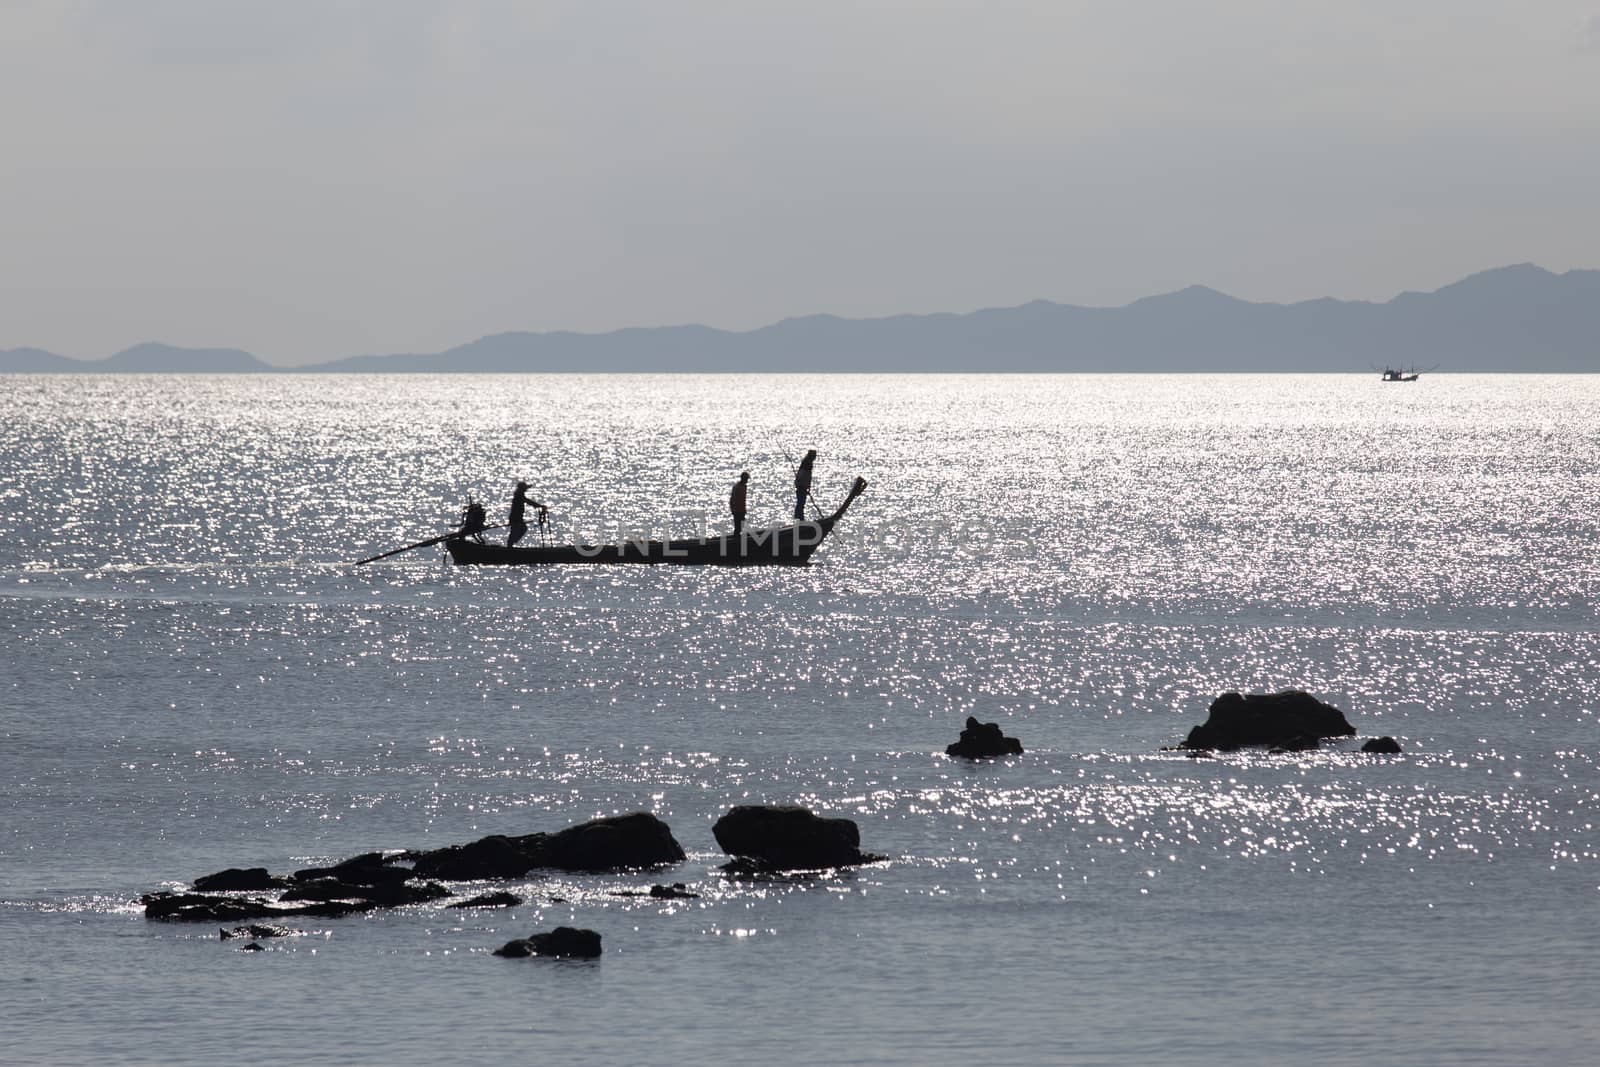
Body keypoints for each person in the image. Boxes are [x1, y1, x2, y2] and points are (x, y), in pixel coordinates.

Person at [507, 481, 544, 547]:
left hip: (517, 517)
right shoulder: (519, 495)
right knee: (519, 529)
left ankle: (510, 545)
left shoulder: (519, 495)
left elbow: (528, 501)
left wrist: (538, 505)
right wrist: (539, 505)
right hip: (515, 518)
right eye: (525, 488)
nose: (526, 489)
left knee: (518, 530)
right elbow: (528, 501)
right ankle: (510, 545)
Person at [792, 449, 816, 521]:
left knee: (801, 503)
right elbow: (804, 475)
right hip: (801, 486)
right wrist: (805, 485)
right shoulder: (807, 464)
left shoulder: (807, 463)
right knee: (800, 503)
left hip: (802, 486)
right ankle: (799, 519)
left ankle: (799, 518)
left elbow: (807, 477)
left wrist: (808, 487)